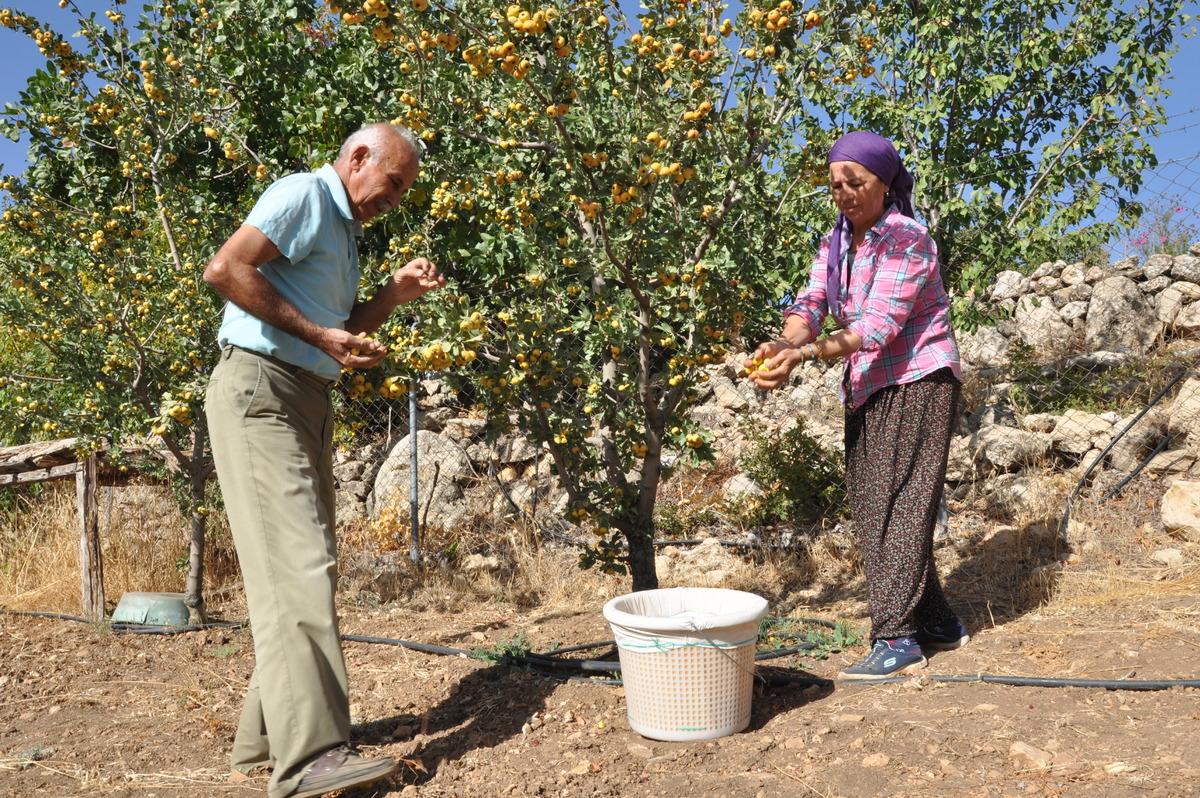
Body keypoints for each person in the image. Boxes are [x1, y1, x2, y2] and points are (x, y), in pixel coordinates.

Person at [203, 122, 445, 797]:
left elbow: (335, 325)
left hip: (307, 397)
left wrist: (392, 297)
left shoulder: (343, 234)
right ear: (359, 156)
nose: (392, 200)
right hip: (260, 389)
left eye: (402, 194)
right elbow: (226, 269)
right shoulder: (304, 195)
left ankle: (264, 743)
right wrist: (317, 334)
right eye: (392, 184)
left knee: (306, 569)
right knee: (300, 566)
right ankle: (310, 760)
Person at [750, 130, 969, 681]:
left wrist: (803, 354)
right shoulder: (837, 242)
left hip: (918, 379)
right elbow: (811, 303)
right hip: (870, 384)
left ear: (884, 182)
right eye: (835, 185)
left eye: (856, 183)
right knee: (878, 505)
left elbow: (878, 326)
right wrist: (784, 342)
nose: (845, 193)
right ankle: (937, 623)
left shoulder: (907, 239)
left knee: (900, 506)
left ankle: (896, 637)